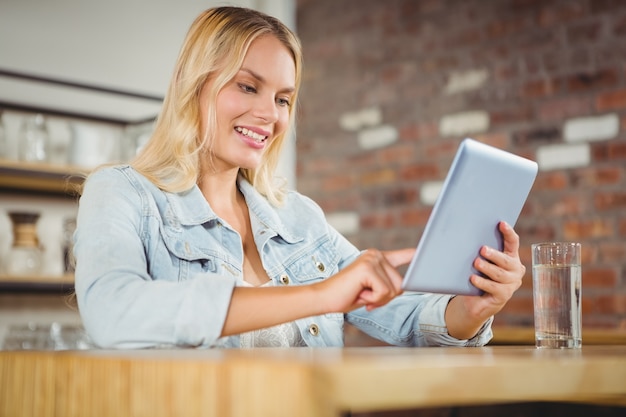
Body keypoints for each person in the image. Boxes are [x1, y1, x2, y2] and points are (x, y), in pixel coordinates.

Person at [74, 6, 525, 349]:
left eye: (284, 98)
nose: (269, 114)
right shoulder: (121, 192)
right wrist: (321, 295)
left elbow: (406, 319)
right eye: (247, 87)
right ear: (193, 84)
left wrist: (471, 309)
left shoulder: (299, 219)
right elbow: (113, 312)